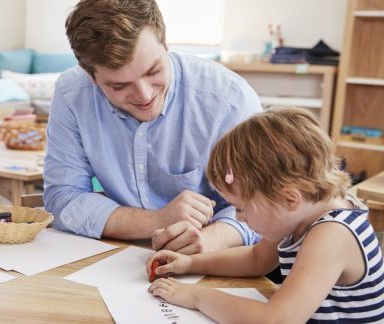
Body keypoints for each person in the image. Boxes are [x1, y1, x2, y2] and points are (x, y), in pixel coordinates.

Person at [44, 0, 263, 254]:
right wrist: (157, 221)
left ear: (165, 42)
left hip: (215, 258)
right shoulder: (72, 93)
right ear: (89, 74)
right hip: (111, 256)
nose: (144, 95)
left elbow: (263, 201)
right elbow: (63, 197)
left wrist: (211, 239)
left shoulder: (229, 98)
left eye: (153, 71)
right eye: (119, 86)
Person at [146, 107, 384, 322]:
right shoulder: (298, 214)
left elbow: (275, 320)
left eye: (242, 208)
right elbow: (257, 258)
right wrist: (190, 263)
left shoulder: (333, 234)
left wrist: (196, 296)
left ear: (289, 198)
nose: (240, 218)